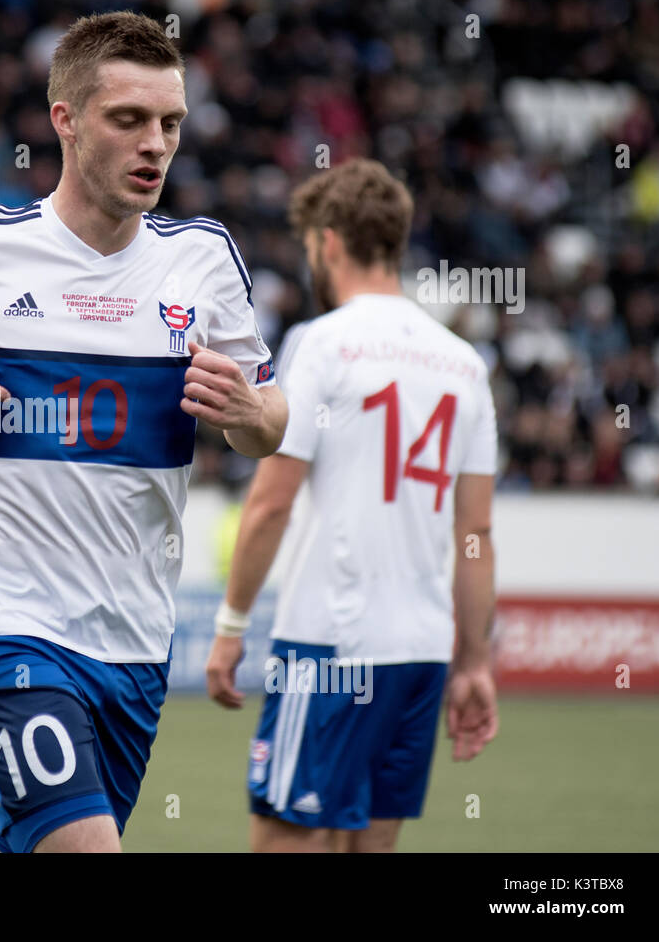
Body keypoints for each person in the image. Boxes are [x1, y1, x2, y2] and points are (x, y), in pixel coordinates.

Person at [0, 10, 287, 853]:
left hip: (134, 648)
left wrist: (251, 414)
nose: (155, 144)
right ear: (66, 121)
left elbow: (270, 421)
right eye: (129, 120)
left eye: (170, 123)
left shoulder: (204, 259)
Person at [205, 158, 500, 852]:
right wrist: (475, 663)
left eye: (311, 245)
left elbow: (270, 503)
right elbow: (477, 533)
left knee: (285, 837)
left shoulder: (322, 343)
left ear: (329, 241)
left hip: (330, 645)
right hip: (422, 651)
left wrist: (230, 624)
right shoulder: (464, 362)